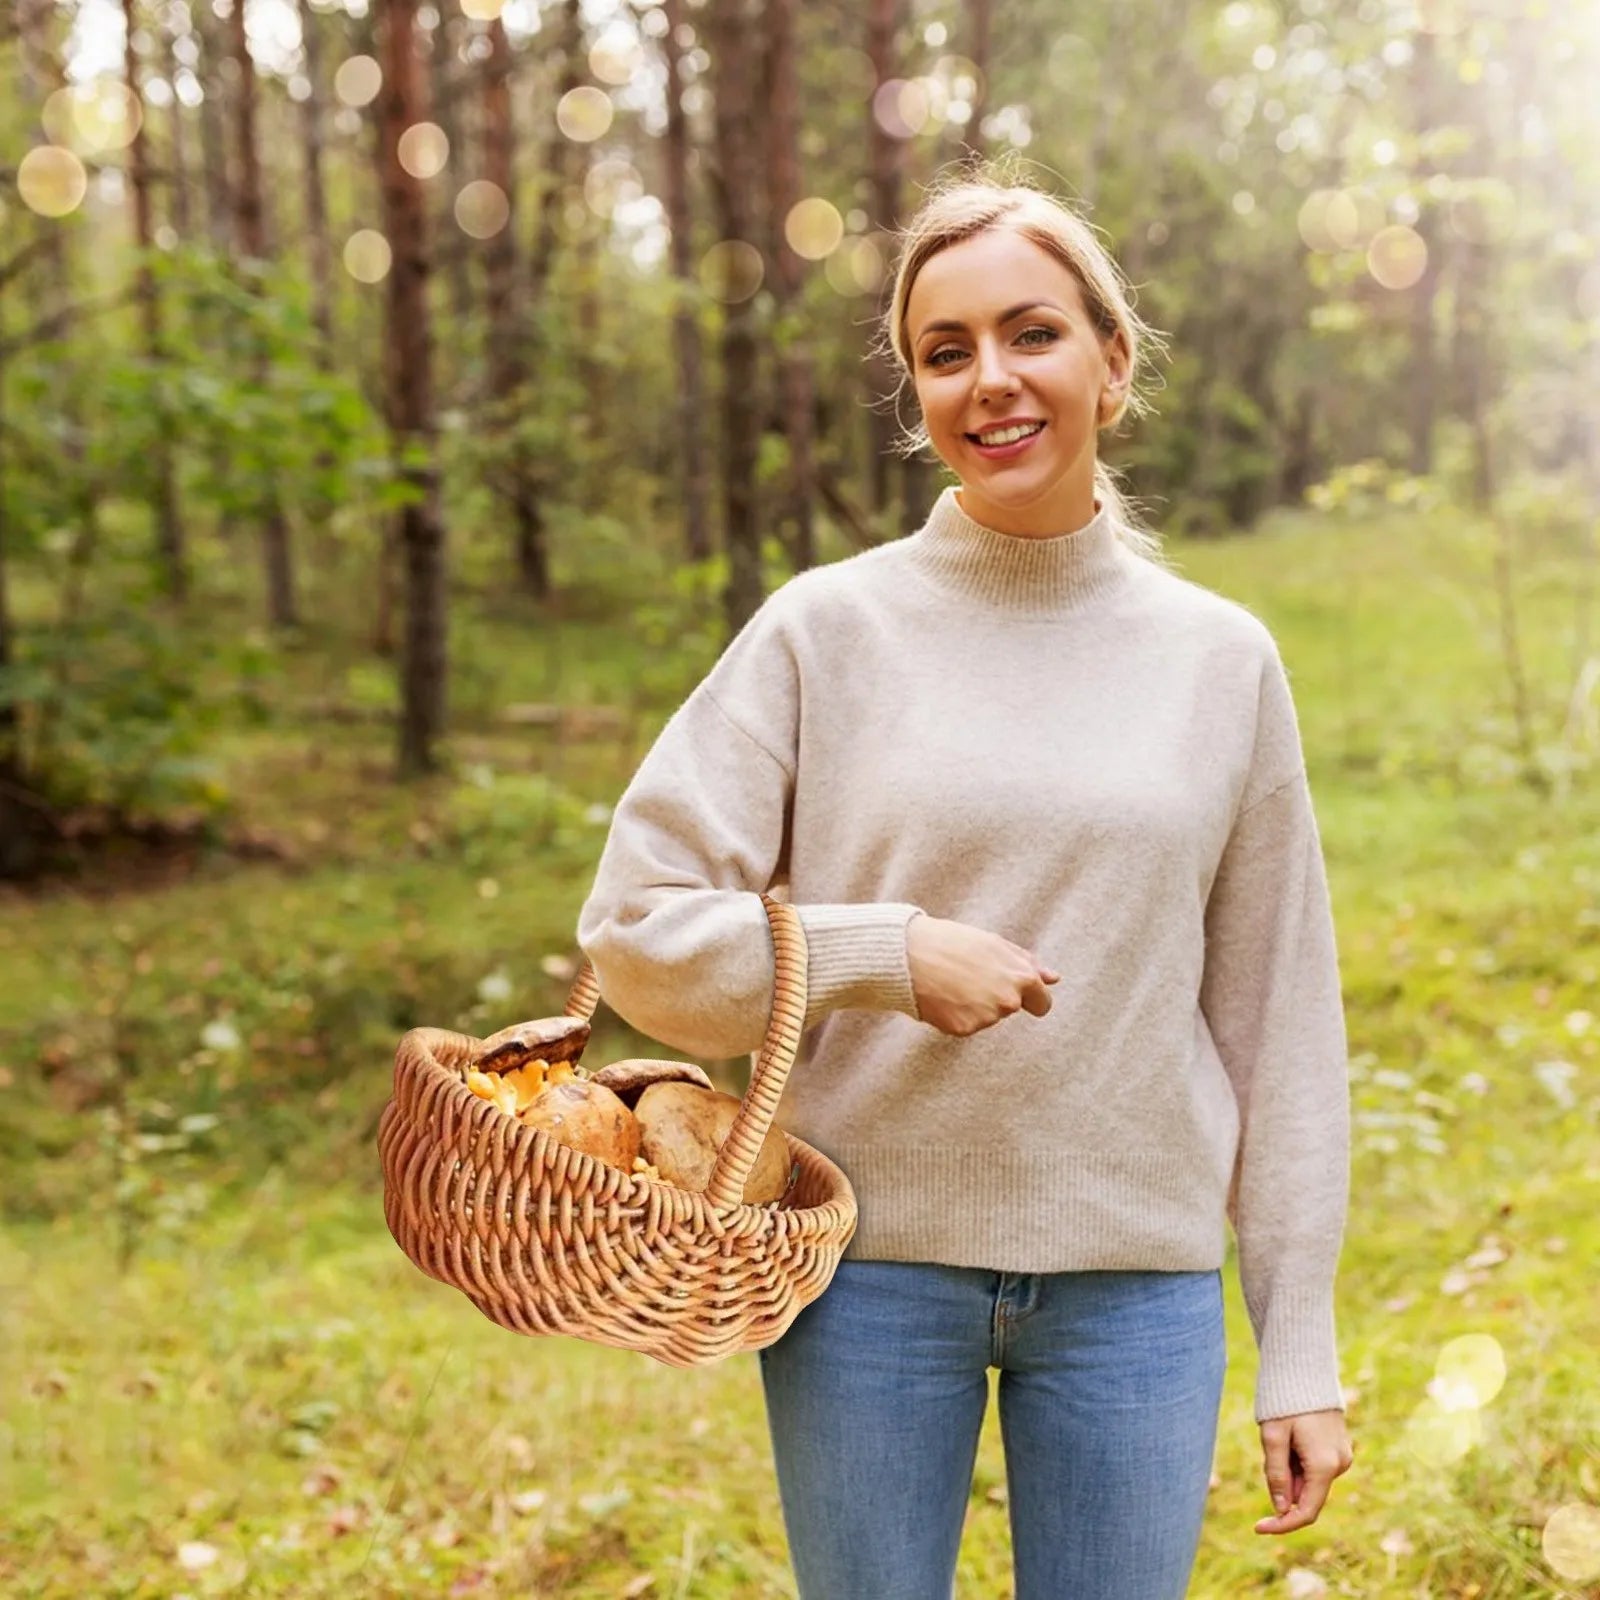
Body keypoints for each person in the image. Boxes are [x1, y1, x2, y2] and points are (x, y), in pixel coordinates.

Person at [576, 162, 1354, 1600]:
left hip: (1138, 1289)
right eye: (947, 352)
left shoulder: (1221, 660)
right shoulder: (827, 633)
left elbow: (1278, 1018)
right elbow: (633, 931)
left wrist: (1296, 1342)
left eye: (1032, 333)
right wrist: (881, 952)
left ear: (1113, 363)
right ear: (918, 392)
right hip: (867, 1280)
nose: (990, 380)